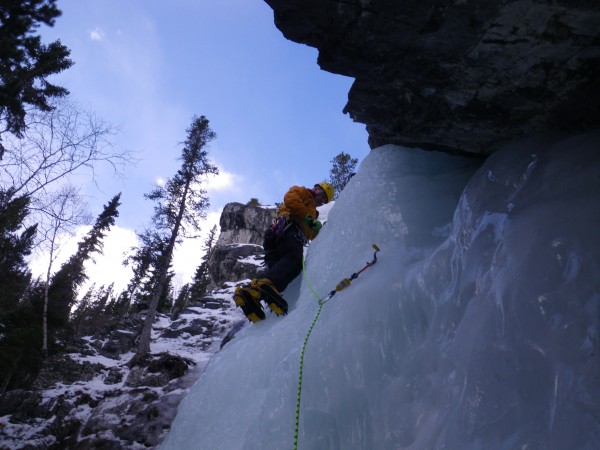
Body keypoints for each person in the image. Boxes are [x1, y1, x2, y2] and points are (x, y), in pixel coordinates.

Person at [233, 182, 335, 322]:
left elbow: (311, 233)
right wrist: (309, 218)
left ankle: (248, 294)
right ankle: (266, 286)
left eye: (324, 200)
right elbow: (291, 200)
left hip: (276, 237)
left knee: (276, 270)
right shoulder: (303, 192)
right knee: (294, 261)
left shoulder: (312, 212)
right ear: (316, 189)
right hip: (287, 229)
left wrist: (323, 231)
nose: (321, 200)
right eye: (321, 195)